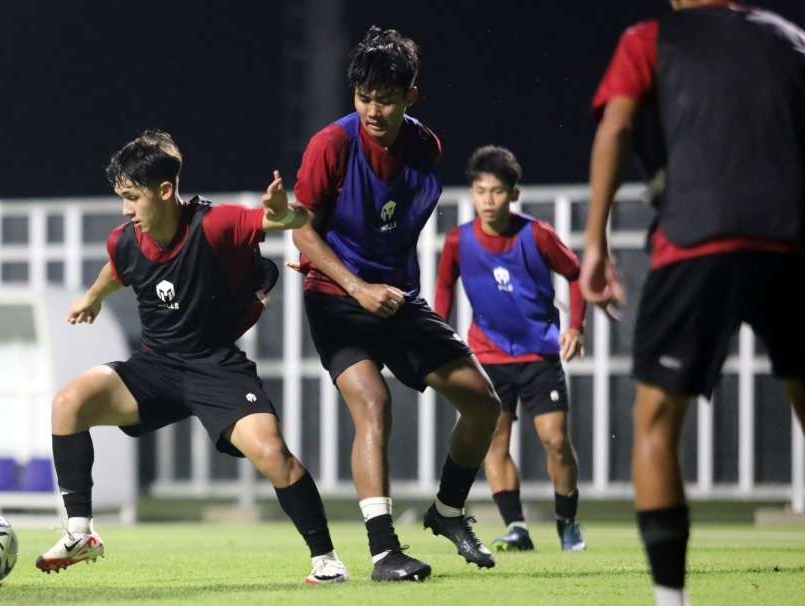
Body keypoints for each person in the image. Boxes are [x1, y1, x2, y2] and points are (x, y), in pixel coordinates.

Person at [36, 130, 350, 585]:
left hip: (214, 366)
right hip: (156, 367)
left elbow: (286, 220)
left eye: (132, 197)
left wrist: (285, 212)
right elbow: (116, 268)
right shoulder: (124, 240)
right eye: (121, 197)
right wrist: (92, 298)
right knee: (69, 403)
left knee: (273, 456)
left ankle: (326, 560)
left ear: (165, 191)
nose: (125, 209)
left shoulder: (215, 224)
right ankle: (80, 531)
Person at [583, 2, 805, 604]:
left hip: (695, 240)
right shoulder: (791, 39)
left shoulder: (648, 37)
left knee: (655, 421)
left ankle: (670, 600)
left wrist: (595, 244)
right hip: (789, 241)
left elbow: (617, 128)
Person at [292, 26, 501, 581]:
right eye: (363, 97)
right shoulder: (330, 145)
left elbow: (392, 225)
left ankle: (448, 511)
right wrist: (349, 278)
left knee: (484, 404)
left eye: (385, 97)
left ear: (411, 95)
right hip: (337, 301)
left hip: (396, 299)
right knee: (373, 403)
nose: (373, 109)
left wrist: (385, 284)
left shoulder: (425, 146)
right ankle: (385, 553)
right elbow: (302, 231)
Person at [435, 145, 588, 553]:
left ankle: (568, 522)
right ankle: (516, 527)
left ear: (514, 195)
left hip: (539, 356)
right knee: (495, 444)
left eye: (498, 191)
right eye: (481, 190)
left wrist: (575, 326)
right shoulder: (457, 241)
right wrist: (436, 337)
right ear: (471, 193)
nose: (488, 200)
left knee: (555, 440)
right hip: (486, 358)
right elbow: (443, 290)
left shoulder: (536, 234)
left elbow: (576, 274)